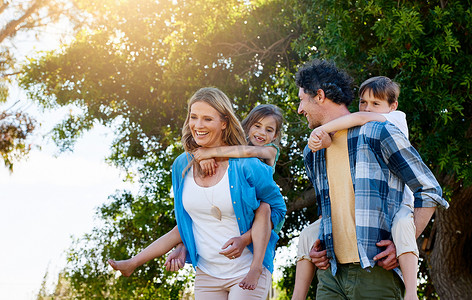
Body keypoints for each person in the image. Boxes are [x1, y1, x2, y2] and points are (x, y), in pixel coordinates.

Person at [109, 87, 286, 299]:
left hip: (246, 271)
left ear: (224, 123)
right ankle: (133, 263)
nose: (198, 125)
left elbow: (276, 209)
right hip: (207, 273)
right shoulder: (181, 165)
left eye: (207, 119)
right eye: (194, 117)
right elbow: (187, 221)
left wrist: (245, 239)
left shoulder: (247, 166)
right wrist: (183, 245)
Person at [295, 59, 449, 299]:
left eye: (301, 99)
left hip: (375, 272)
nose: (299, 109)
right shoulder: (312, 151)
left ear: (320, 96)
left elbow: (428, 189)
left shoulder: (378, 131)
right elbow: (327, 210)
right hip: (330, 276)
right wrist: (318, 247)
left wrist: (402, 244)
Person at [306, 76, 420, 300]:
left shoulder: (390, 121)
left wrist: (321, 130)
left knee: (404, 229)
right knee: (306, 235)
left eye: (376, 104)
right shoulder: (312, 154)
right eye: (363, 102)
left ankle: (412, 293)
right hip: (334, 272)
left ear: (392, 106)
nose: (368, 108)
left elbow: (358, 117)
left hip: (404, 204)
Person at [192, 104, 284, 290]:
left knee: (264, 207)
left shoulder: (270, 151)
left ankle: (256, 267)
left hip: (269, 209)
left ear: (274, 136)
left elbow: (249, 152)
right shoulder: (232, 148)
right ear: (248, 126)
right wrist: (205, 158)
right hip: (246, 205)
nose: (261, 133)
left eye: (269, 130)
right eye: (257, 126)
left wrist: (209, 153)